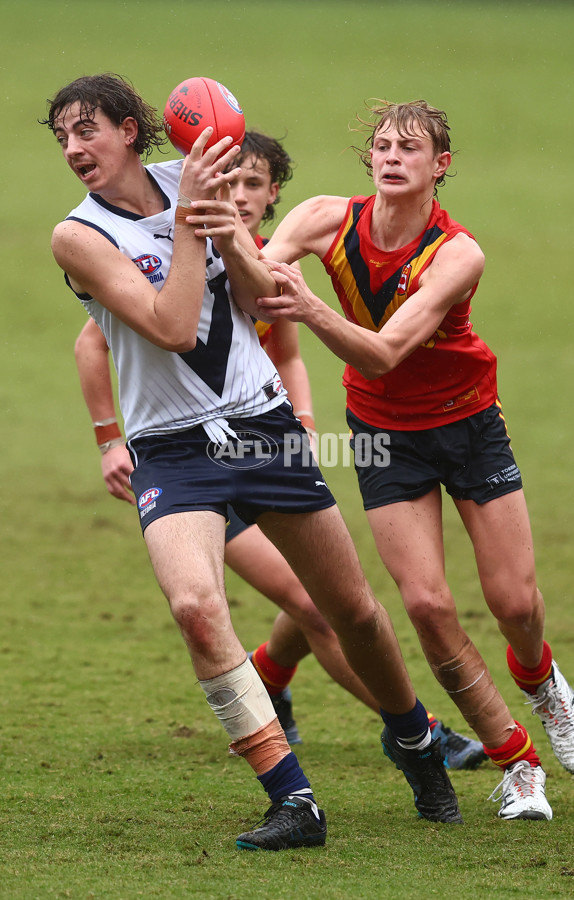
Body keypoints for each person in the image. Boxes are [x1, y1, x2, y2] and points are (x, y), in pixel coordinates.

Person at [42, 75, 463, 853]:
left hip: (260, 426)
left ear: (134, 129)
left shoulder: (198, 180)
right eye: (63, 136)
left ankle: (414, 740)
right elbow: (169, 326)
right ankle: (293, 798)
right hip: (172, 446)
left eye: (87, 130)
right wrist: (195, 222)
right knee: (196, 608)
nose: (73, 148)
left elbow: (256, 299)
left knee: (354, 613)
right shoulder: (81, 236)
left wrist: (228, 228)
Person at [248, 99, 574, 821]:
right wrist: (222, 246)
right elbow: (251, 284)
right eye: (381, 145)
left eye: (409, 147)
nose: (390, 156)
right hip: (383, 436)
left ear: (440, 165)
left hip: (468, 426)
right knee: (427, 605)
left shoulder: (458, 252)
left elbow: (380, 355)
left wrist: (309, 308)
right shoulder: (321, 217)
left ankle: (545, 687)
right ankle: (517, 763)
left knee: (515, 604)